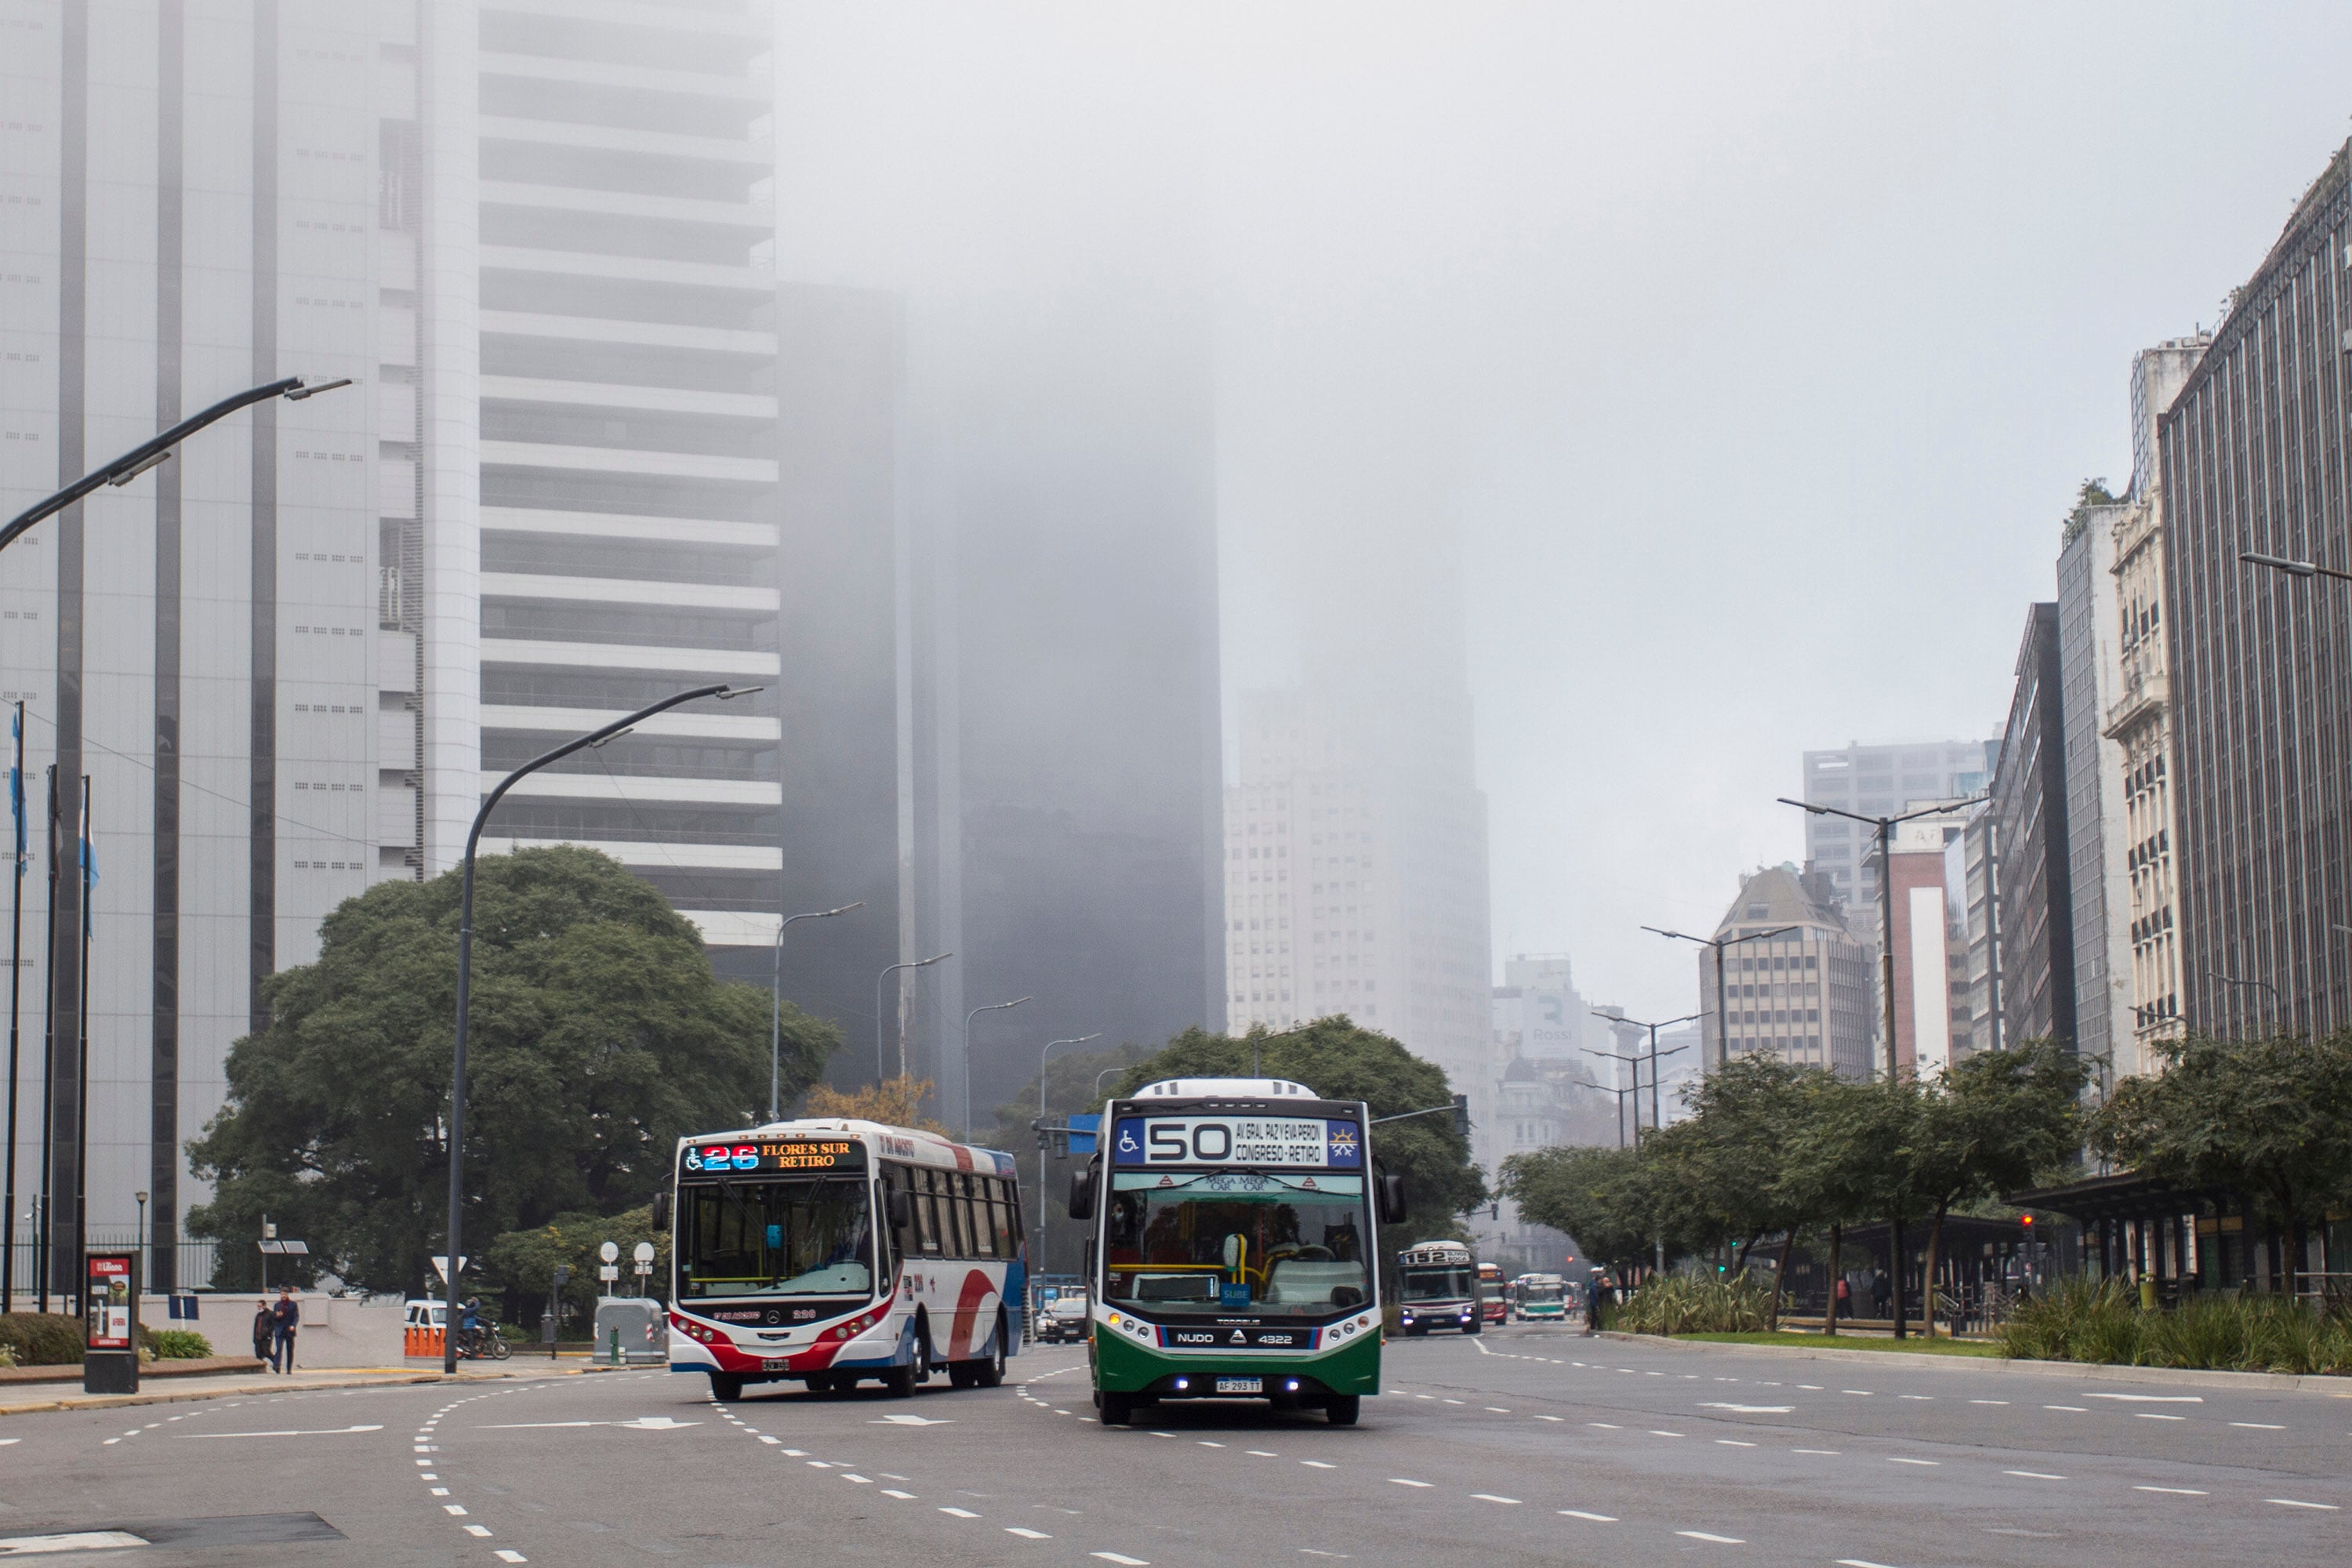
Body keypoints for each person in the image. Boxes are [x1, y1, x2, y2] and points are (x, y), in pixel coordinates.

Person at [270, 1287, 300, 1374]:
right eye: (282, 1294)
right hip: (280, 1329)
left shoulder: (293, 1304)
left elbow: (296, 1316)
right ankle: (277, 1366)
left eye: (285, 1294)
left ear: (288, 1295)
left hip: (289, 1330)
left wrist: (293, 1326)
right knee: (279, 1348)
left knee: (290, 1350)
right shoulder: (277, 1305)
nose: (283, 1296)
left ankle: (289, 1369)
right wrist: (277, 1315)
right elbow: (274, 1317)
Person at [252, 1299, 275, 1370]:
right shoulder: (258, 1315)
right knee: (258, 1353)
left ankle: (276, 1363)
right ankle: (260, 1368)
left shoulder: (270, 1314)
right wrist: (254, 1338)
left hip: (266, 1337)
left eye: (260, 1306)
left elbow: (273, 1325)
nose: (259, 1308)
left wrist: (268, 1332)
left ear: (264, 1306)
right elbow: (256, 1327)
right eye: (258, 1306)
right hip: (258, 1337)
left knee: (267, 1352)